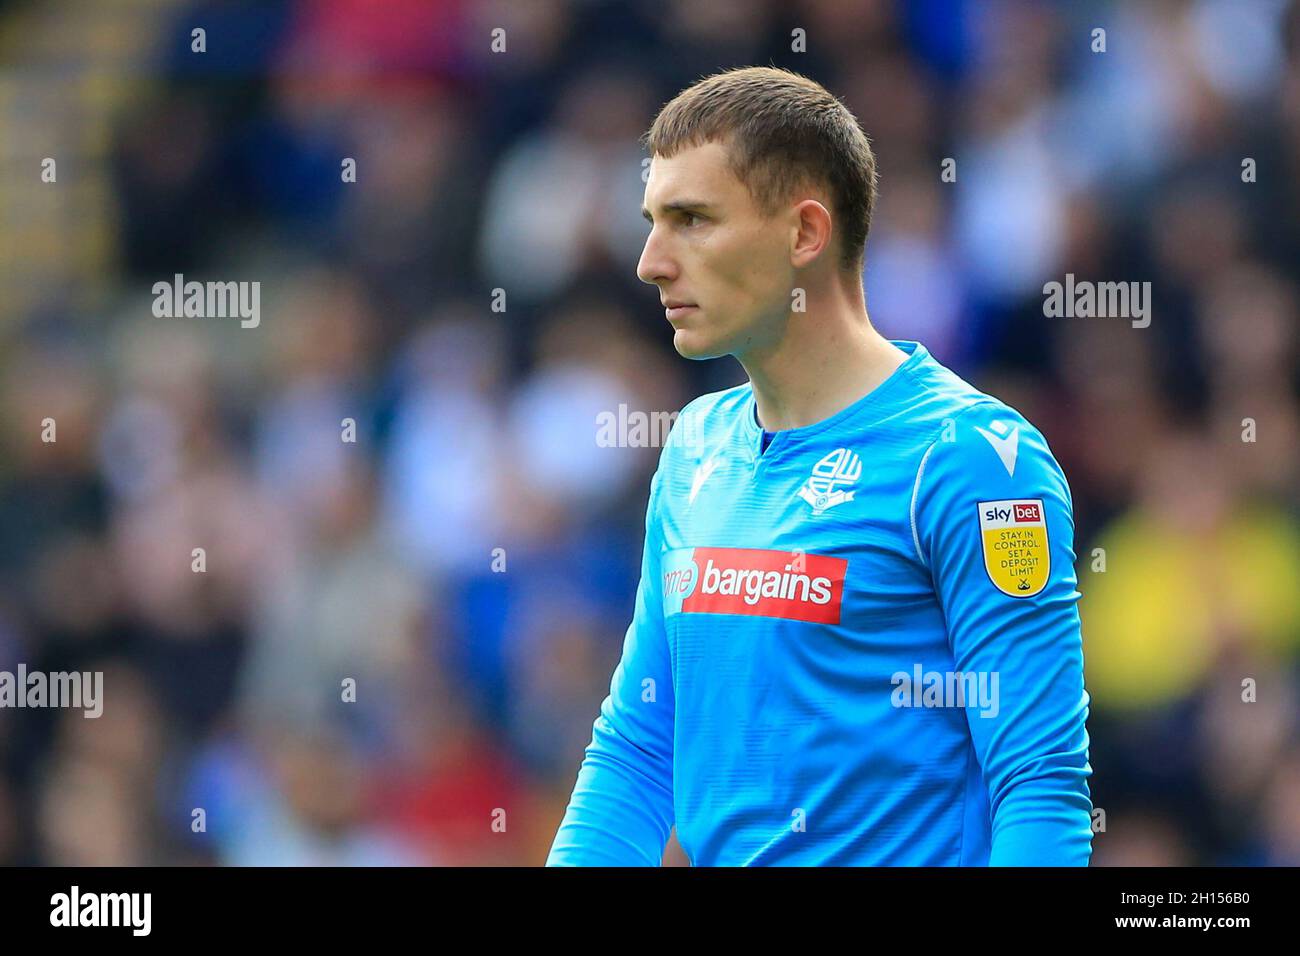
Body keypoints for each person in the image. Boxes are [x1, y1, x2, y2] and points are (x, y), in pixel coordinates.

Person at [546, 66, 1093, 866]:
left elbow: (1039, 780)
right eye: (652, 221)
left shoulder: (974, 462)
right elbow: (637, 750)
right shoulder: (696, 445)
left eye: (692, 220)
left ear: (805, 233)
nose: (651, 261)